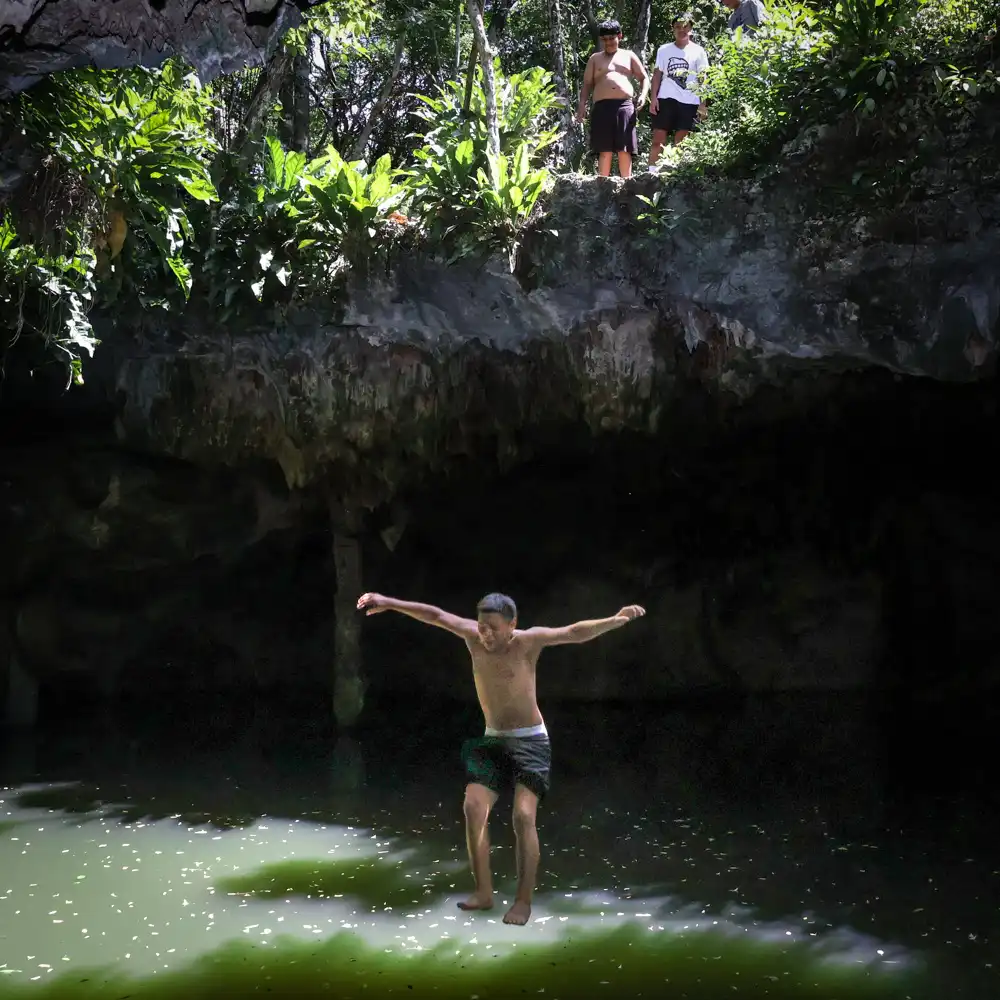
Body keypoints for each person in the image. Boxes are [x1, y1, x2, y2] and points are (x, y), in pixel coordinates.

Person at [355, 589, 646, 925]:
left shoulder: (527, 642)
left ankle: (523, 901)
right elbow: (435, 614)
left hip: (531, 741)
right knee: (473, 805)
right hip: (493, 739)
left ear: (512, 625)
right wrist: (390, 602)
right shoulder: (473, 638)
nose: (486, 634)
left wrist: (614, 620)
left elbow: (574, 632)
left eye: (493, 627)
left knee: (523, 816)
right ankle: (484, 892)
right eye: (482, 626)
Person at [576, 19, 650, 179]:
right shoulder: (595, 59)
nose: (608, 43)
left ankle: (627, 185)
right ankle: (603, 186)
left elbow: (644, 78)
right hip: (602, 107)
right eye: (605, 39)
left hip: (624, 106)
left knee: (625, 149)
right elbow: (587, 85)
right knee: (604, 150)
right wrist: (582, 105)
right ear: (601, 40)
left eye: (612, 38)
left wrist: (643, 95)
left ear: (619, 36)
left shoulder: (628, 55)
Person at [648, 14, 709, 170]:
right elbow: (657, 75)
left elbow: (703, 78)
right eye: (678, 27)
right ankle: (651, 174)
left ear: (690, 28)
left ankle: (675, 173)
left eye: (685, 26)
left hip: (690, 101)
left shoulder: (699, 51)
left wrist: (703, 104)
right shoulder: (664, 50)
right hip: (666, 99)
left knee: (681, 142)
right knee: (658, 140)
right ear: (672, 29)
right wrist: (653, 98)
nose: (682, 30)